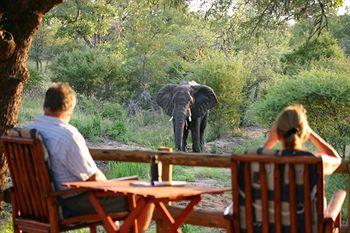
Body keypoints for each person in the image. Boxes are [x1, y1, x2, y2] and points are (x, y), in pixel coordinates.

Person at [27, 83, 154, 230]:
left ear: (45, 105)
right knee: (144, 197)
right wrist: (113, 187)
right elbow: (92, 177)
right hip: (67, 204)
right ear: (70, 108)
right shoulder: (67, 135)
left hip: (34, 204)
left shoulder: (27, 130)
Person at [264, 104, 341, 176]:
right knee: (341, 191)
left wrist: (270, 141)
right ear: (303, 132)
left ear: (277, 132)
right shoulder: (313, 160)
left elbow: (260, 152)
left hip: (276, 190)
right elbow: (336, 160)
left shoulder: (259, 159)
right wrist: (310, 133)